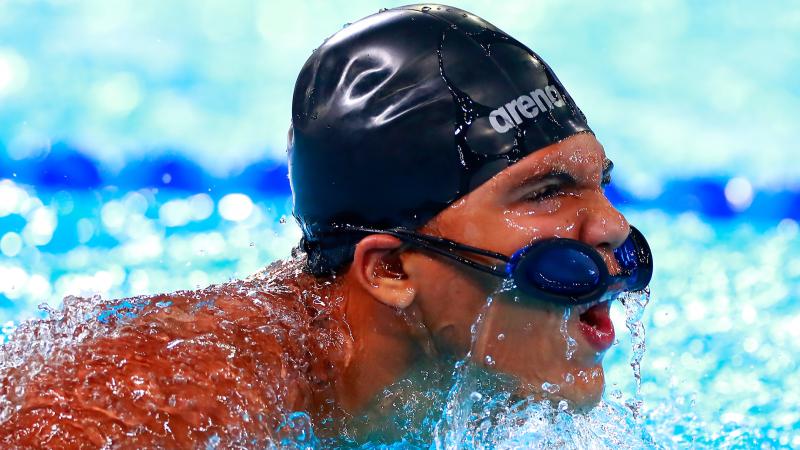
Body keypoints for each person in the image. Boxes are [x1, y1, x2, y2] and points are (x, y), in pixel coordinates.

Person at [0, 4, 652, 447]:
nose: (612, 228)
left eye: (601, 182)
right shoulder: (188, 395)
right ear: (389, 269)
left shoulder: (476, 372)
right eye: (545, 192)